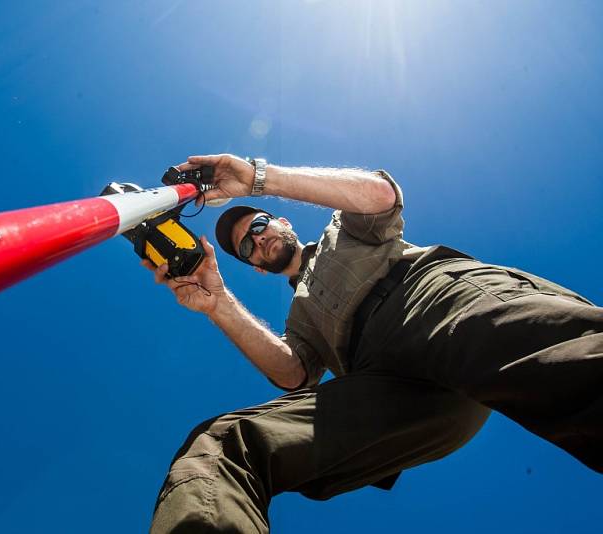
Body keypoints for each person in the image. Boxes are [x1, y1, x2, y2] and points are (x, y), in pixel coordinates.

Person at [144, 154, 602, 533]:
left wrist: (256, 180)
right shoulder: (299, 317)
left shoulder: (342, 230)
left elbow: (381, 196)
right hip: (382, 380)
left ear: (281, 220)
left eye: (259, 225)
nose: (257, 240)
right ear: (256, 268)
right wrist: (219, 303)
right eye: (247, 248)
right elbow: (293, 373)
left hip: (427, 298)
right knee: (225, 445)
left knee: (569, 362)